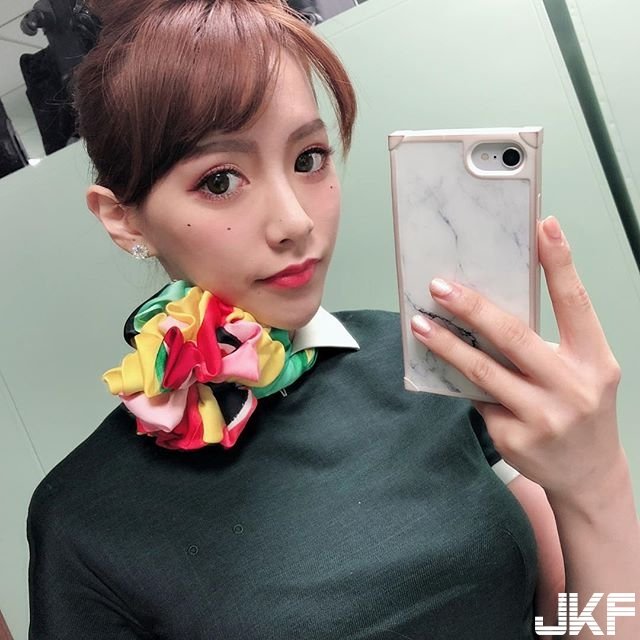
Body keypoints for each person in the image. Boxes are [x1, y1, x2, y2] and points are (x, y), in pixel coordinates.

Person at [27, 1, 639, 638]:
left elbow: (574, 622)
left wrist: (596, 487)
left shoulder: (424, 359)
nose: (295, 222)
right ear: (122, 218)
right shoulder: (82, 520)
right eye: (220, 180)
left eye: (309, 158)